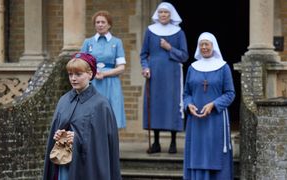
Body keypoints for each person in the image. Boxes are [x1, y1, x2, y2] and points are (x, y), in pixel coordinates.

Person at [43, 52, 121, 180]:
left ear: (90, 74)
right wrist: (58, 135)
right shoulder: (64, 100)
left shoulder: (101, 105)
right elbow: (58, 128)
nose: (73, 78)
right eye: (70, 74)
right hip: (64, 165)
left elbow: (103, 145)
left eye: (78, 74)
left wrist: (77, 138)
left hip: (88, 168)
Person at [183, 32, 235, 179]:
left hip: (216, 119)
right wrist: (189, 105)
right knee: (197, 152)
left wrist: (214, 104)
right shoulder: (192, 68)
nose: (204, 47)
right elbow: (186, 93)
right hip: (196, 120)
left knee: (215, 151)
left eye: (207, 44)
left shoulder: (223, 67)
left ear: (213, 46)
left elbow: (230, 93)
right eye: (201, 44)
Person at [140, 2, 189, 154]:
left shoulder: (178, 32)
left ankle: (173, 142)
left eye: (166, 13)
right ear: (157, 14)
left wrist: (169, 48)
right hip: (154, 74)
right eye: (160, 12)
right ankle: (156, 142)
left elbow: (184, 55)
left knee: (172, 104)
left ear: (171, 15)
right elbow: (143, 54)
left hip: (172, 74)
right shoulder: (150, 31)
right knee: (155, 105)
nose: (163, 15)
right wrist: (145, 67)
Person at [81, 10, 126, 129]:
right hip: (93, 81)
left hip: (111, 82)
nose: (100, 24)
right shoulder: (88, 42)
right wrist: (93, 73)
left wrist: (105, 74)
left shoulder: (117, 42)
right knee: (92, 114)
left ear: (109, 24)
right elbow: (81, 63)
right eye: (97, 22)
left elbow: (121, 67)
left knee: (111, 115)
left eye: (103, 22)